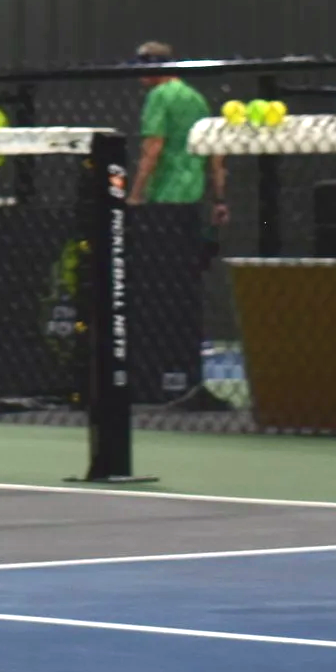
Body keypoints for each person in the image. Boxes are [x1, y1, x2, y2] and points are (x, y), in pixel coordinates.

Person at [126, 43, 227, 404]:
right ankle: (182, 366)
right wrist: (219, 198)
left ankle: (157, 371)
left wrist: (135, 195)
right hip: (191, 204)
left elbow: (152, 148)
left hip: (162, 205)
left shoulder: (159, 97)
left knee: (157, 291)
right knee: (183, 289)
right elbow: (215, 155)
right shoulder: (195, 98)